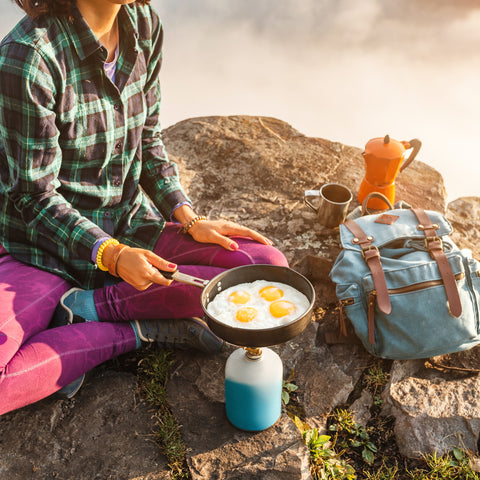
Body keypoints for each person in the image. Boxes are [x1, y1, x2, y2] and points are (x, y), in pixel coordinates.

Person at [0, 0, 288, 416]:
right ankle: (137, 330)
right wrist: (112, 256)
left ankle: (90, 309)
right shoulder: (29, 58)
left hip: (130, 225)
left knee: (263, 265)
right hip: (45, 251)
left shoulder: (142, 26)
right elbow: (34, 196)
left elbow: (147, 138)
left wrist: (187, 216)